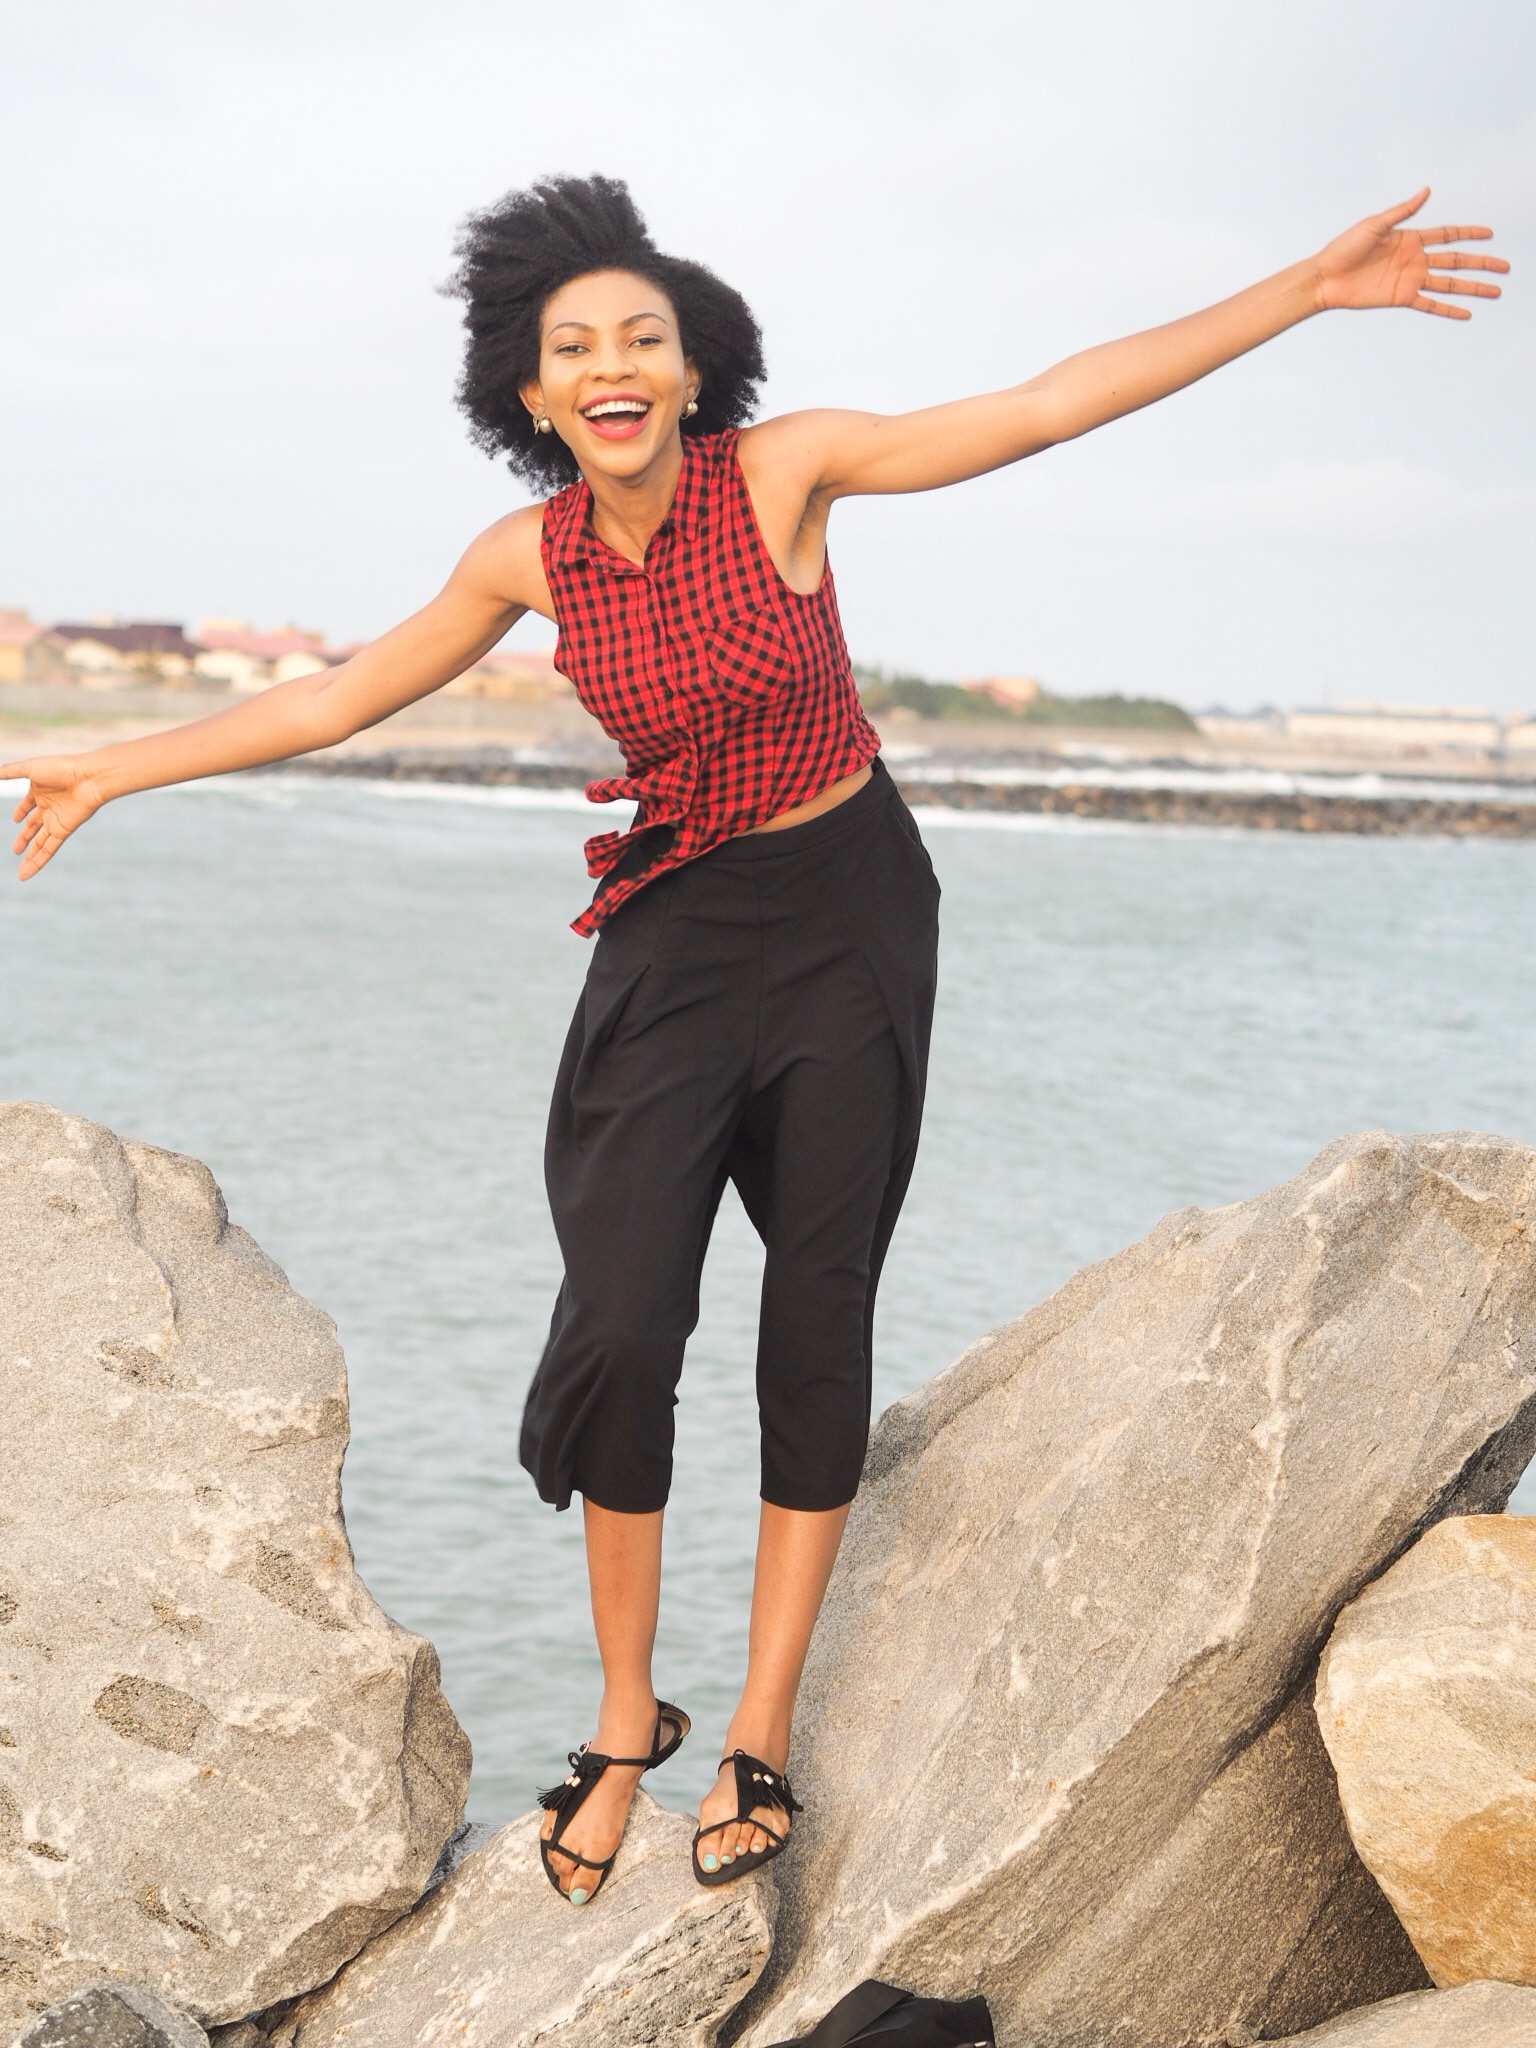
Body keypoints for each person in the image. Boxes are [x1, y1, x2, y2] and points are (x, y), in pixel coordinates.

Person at [3, 173, 1506, 1909]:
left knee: (817, 1319)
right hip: (676, 934)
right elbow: (336, 696)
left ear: (694, 369)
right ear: (533, 394)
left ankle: (762, 1730)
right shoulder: (528, 557)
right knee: (623, 1322)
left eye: (644, 334)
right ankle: (628, 1718)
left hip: (852, 911)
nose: (613, 362)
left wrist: (1300, 291)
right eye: (576, 347)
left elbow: (1042, 403)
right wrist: (114, 763)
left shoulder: (780, 476)